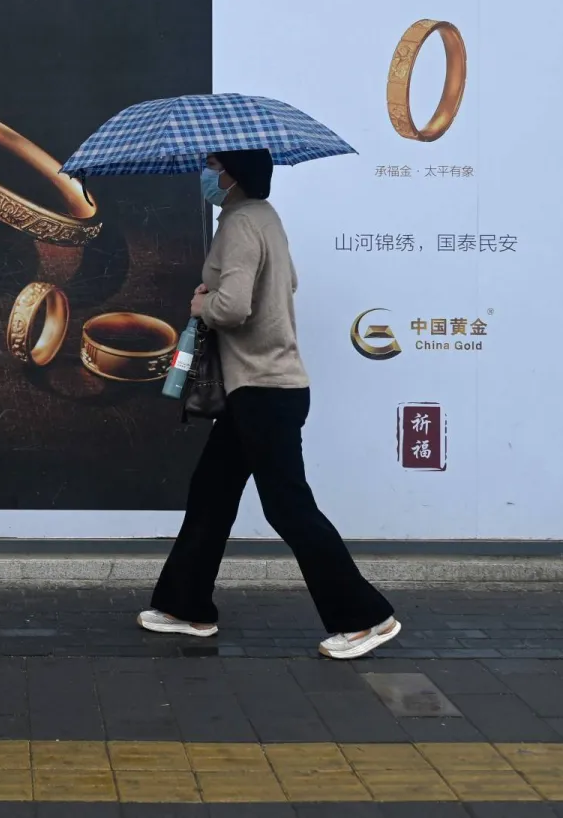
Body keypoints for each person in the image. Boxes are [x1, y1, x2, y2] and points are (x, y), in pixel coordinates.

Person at [138, 149, 401, 660]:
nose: (206, 175)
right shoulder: (264, 218)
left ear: (230, 176)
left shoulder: (238, 223)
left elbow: (234, 308)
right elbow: (286, 285)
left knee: (287, 506)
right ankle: (185, 606)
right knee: (212, 492)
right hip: (257, 389)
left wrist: (203, 304)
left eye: (212, 167)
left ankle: (366, 617)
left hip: (263, 388)